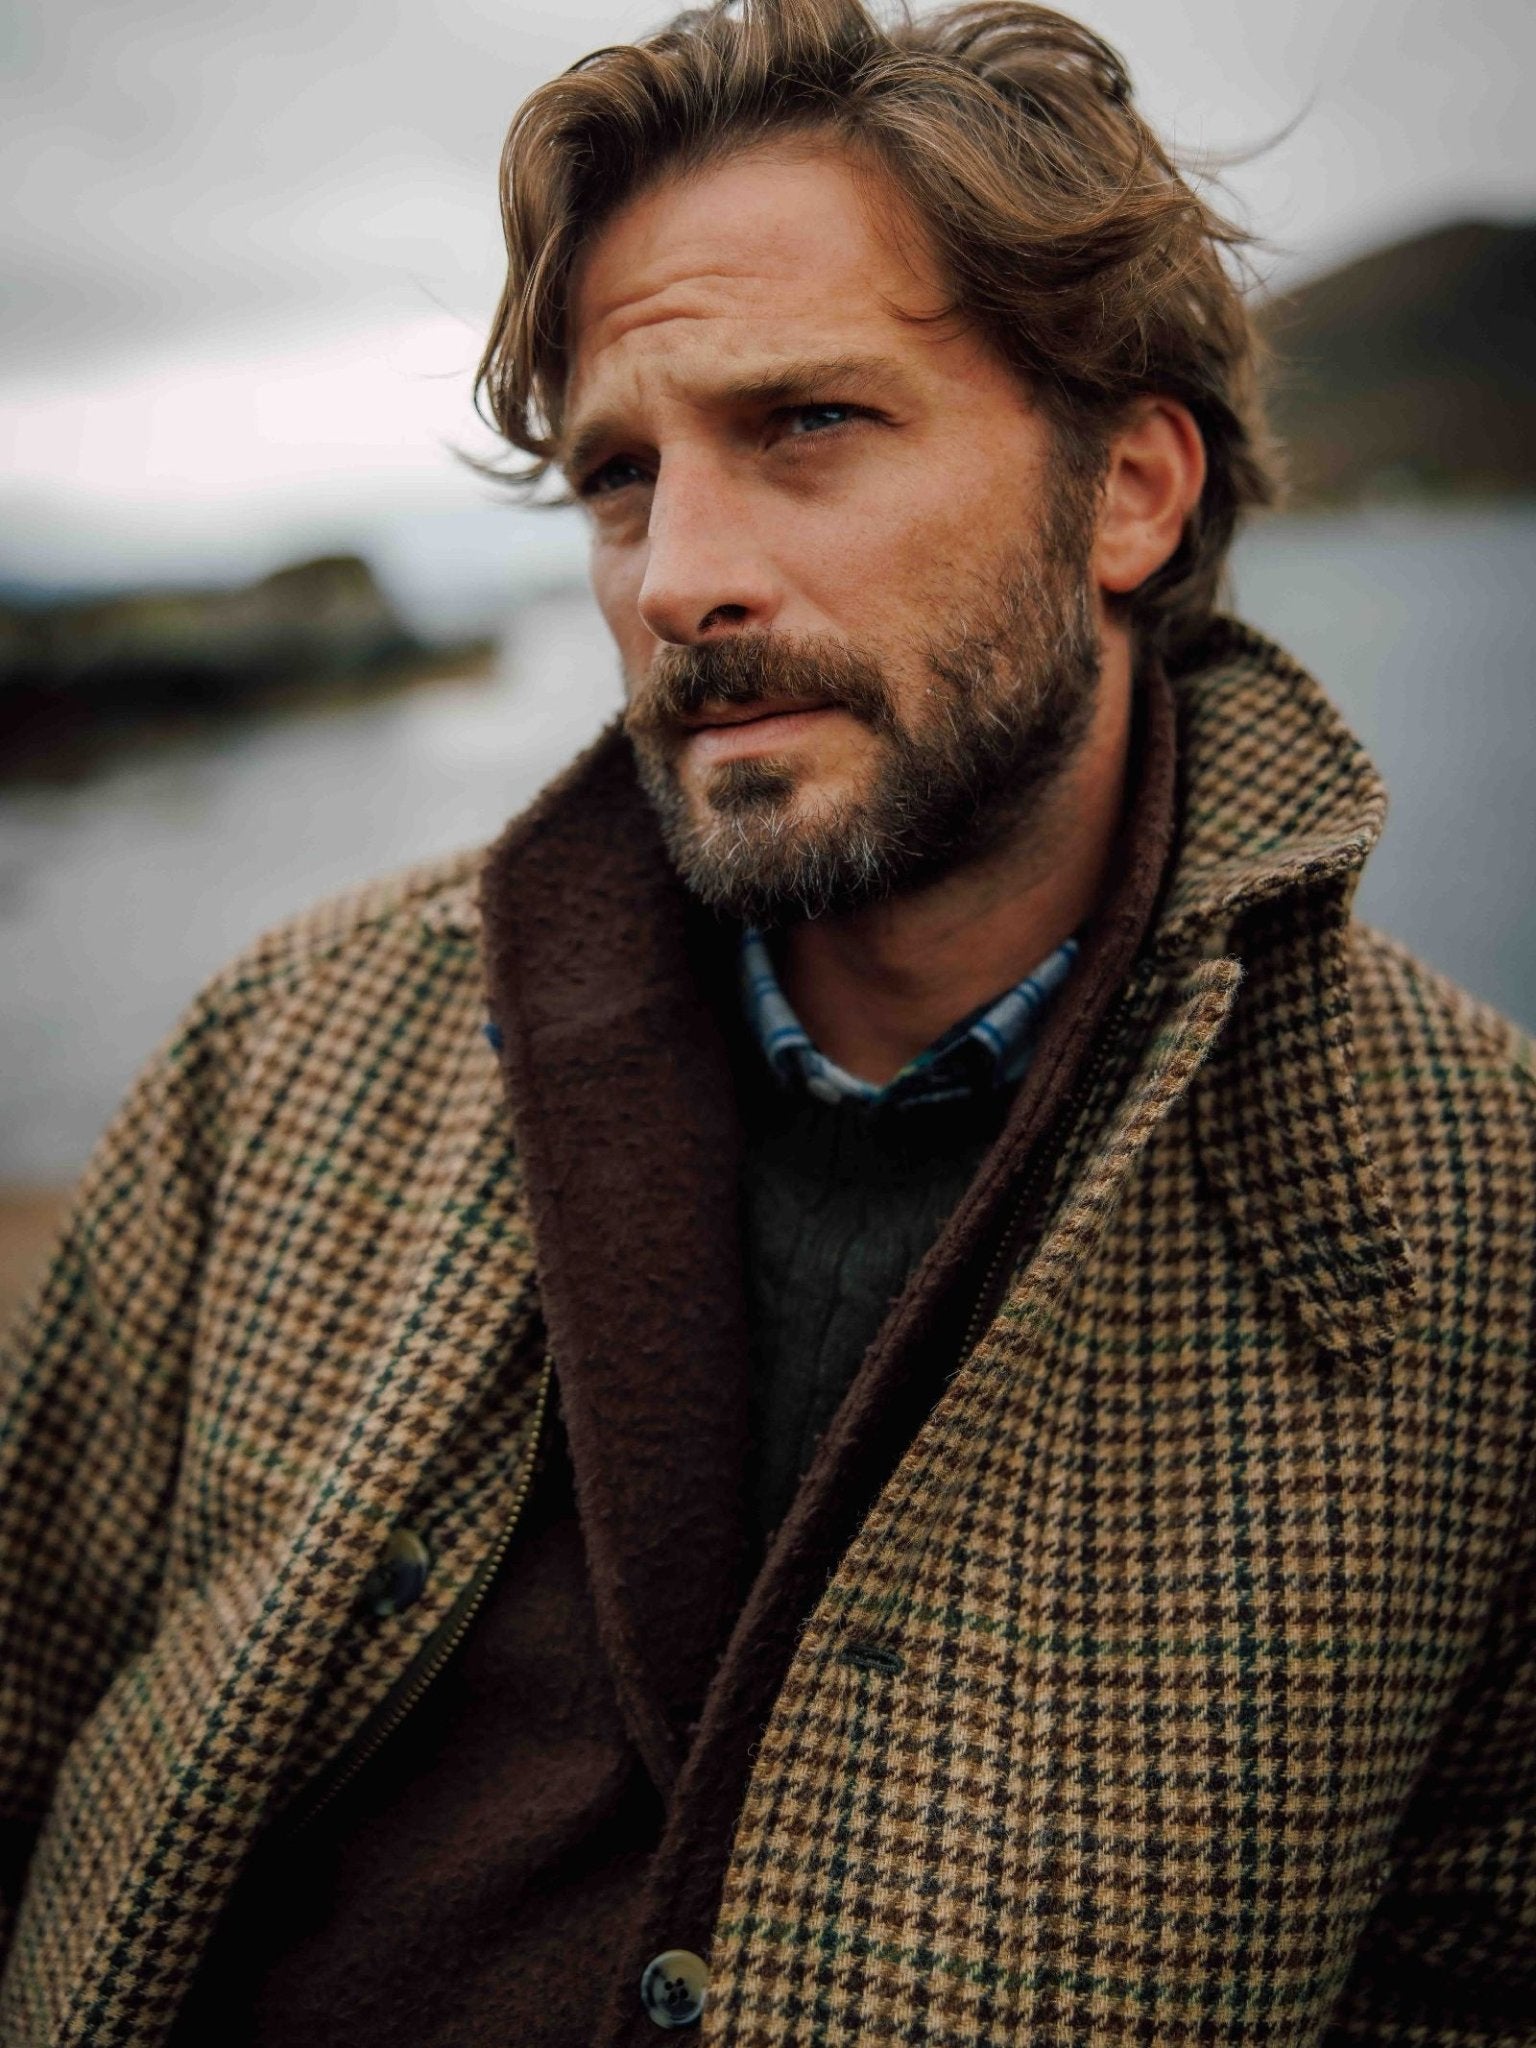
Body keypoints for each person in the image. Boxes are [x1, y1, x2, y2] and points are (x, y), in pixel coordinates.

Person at [2, 0, 1533, 2041]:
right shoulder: (275, 1061)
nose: (678, 578)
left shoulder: (1485, 1230)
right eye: (621, 476)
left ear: (1130, 492)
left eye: (806, 423)